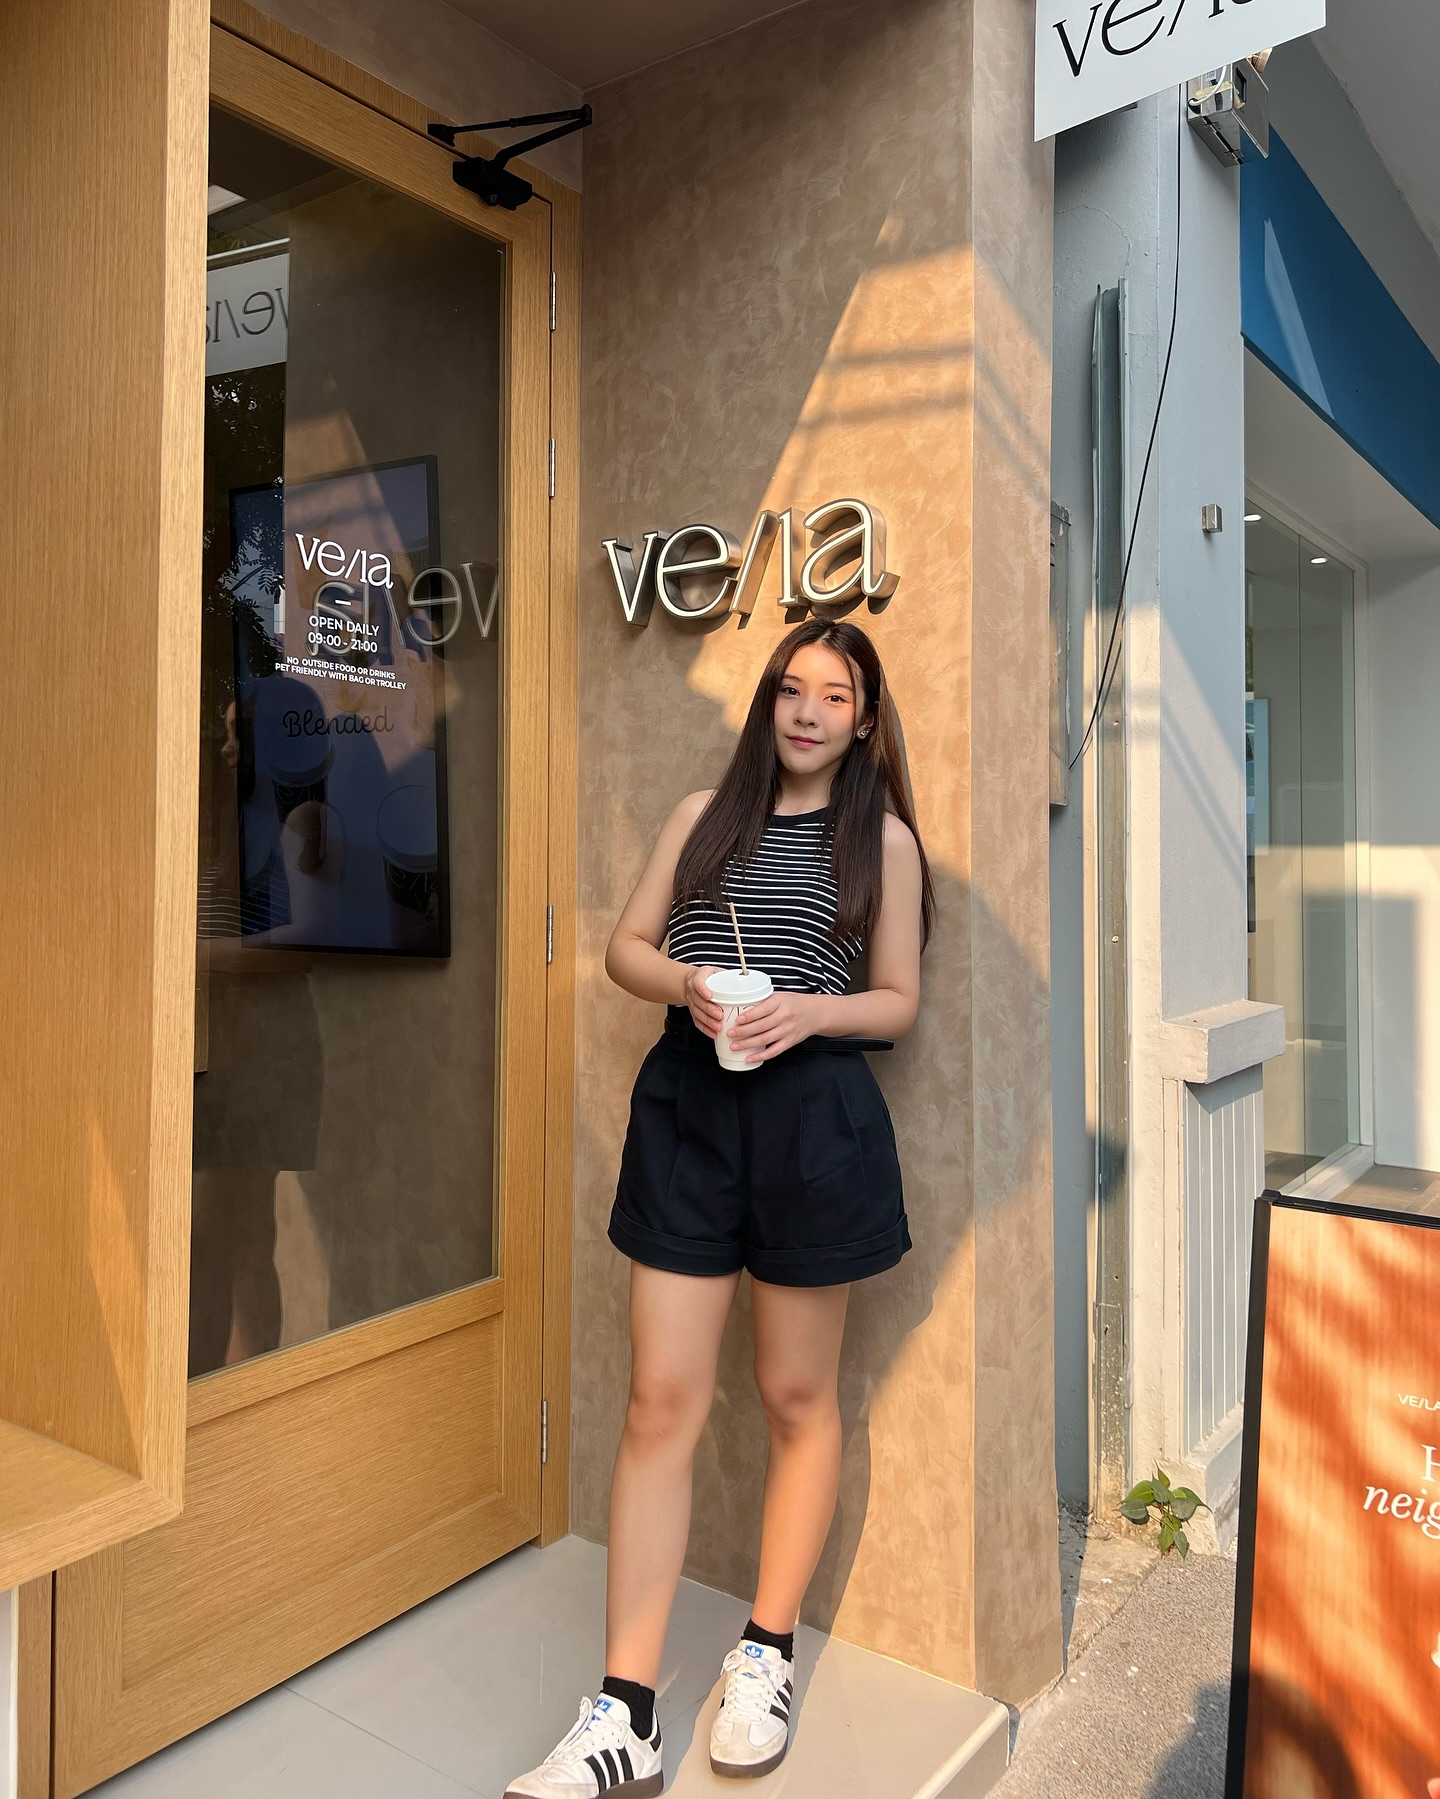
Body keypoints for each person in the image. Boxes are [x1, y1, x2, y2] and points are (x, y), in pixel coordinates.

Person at [505, 619, 934, 1798]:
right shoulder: (704, 815)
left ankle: (765, 1652)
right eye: (792, 688)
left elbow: (897, 999)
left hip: (814, 1120)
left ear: (864, 719)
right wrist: (690, 981)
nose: (808, 711)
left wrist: (809, 1010)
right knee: (660, 1398)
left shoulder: (882, 840)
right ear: (768, 702)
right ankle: (626, 1713)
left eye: (834, 696)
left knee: (797, 1394)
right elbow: (624, 950)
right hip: (688, 1111)